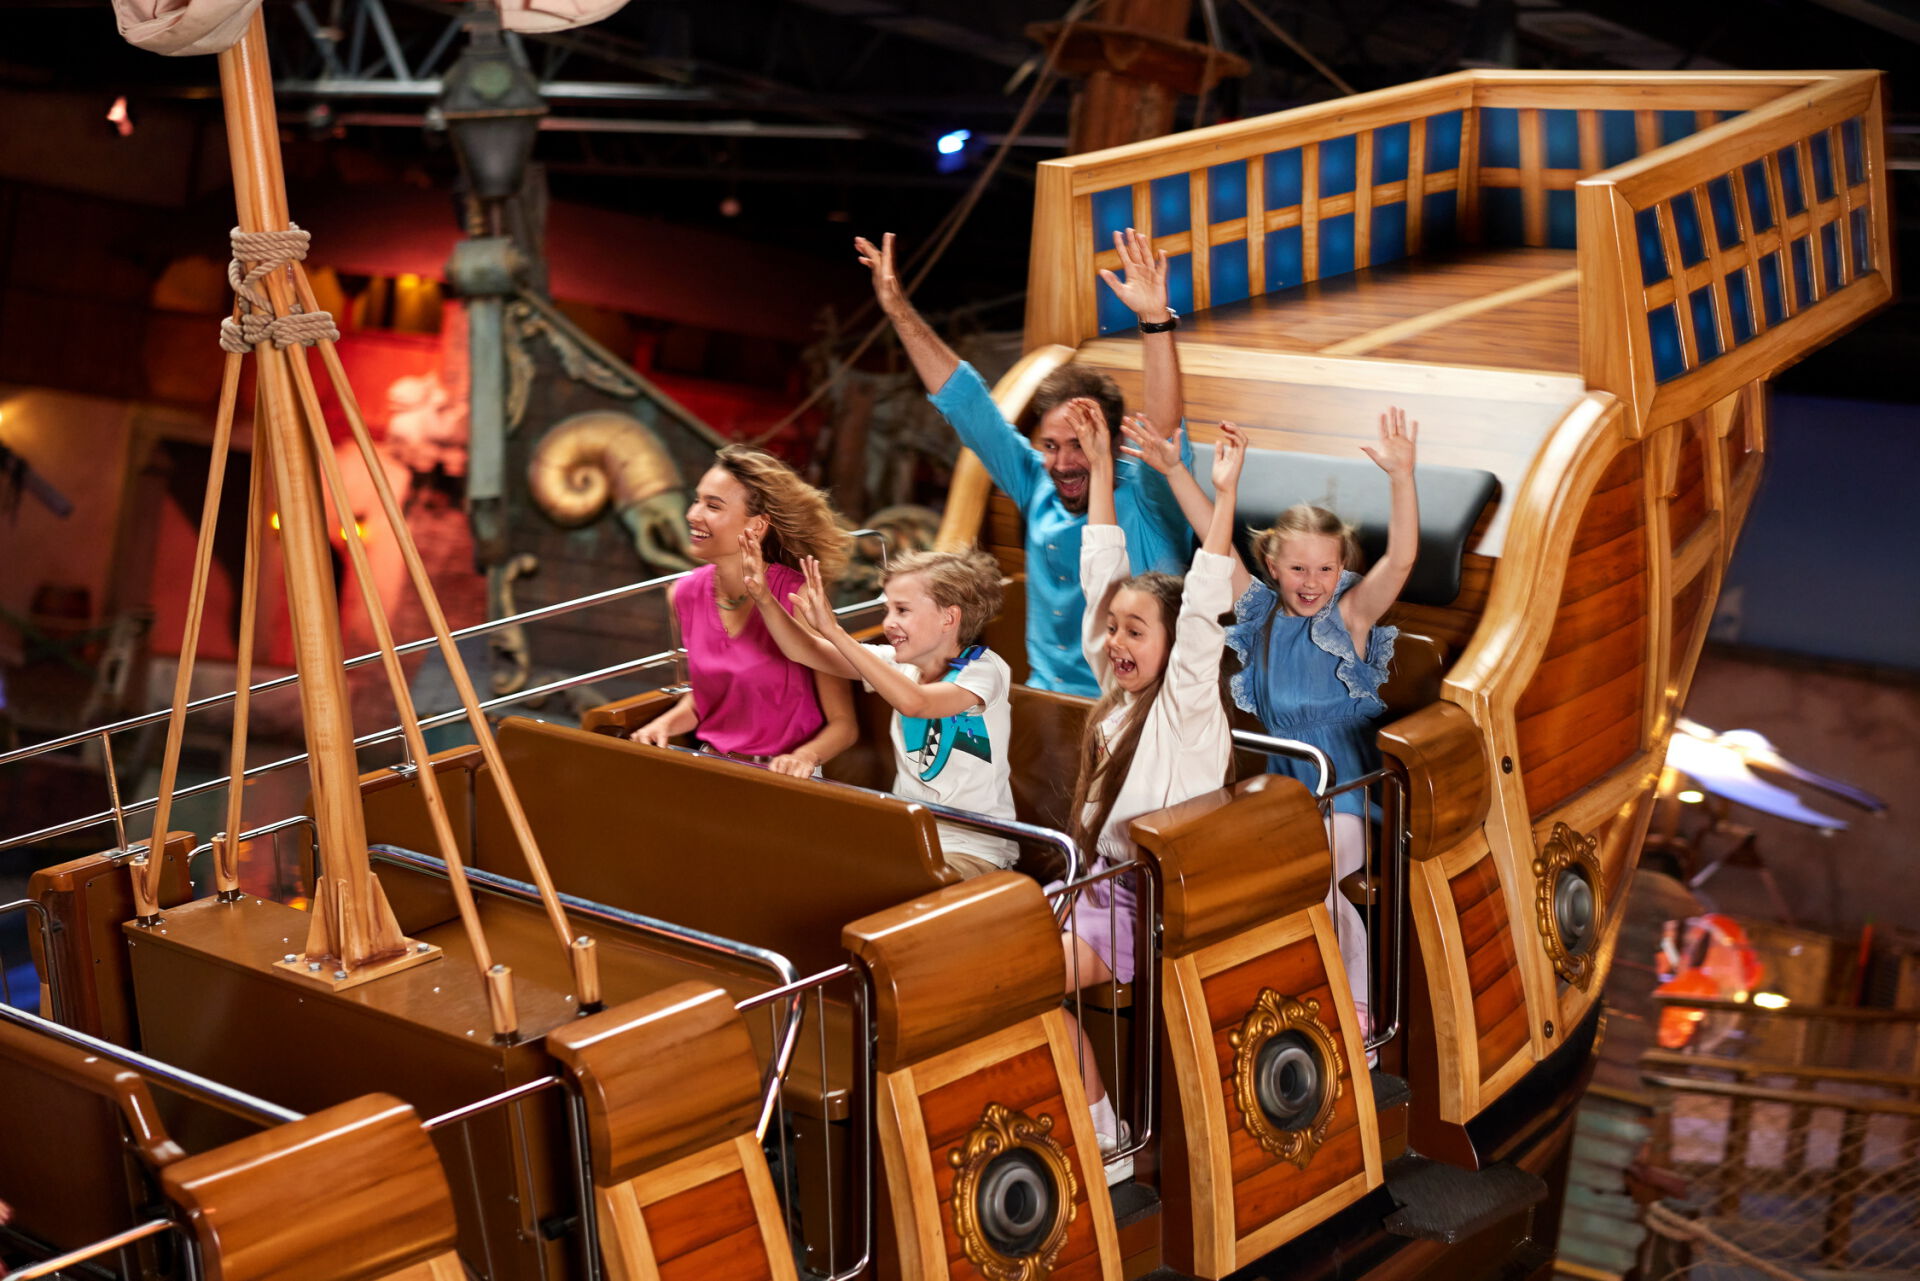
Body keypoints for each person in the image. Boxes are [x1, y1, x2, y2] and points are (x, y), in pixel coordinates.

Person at [1142, 411, 1420, 1040]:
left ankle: (1359, 1014)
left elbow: (1401, 560)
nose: (1311, 583)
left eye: (1325, 570)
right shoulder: (1261, 613)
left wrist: (1402, 477)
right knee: (1233, 878)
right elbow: (1213, 543)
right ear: (1272, 565)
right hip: (1282, 794)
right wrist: (1183, 472)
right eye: (1298, 569)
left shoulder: (1349, 617)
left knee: (1315, 882)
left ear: (1342, 570)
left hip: (1345, 793)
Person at [856, 229, 1194, 696]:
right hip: (1043, 695)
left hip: (1137, 704)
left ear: (1115, 441)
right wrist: (898, 310)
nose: (1063, 463)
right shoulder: (1036, 479)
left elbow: (1163, 428)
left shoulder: (1150, 493)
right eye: (1051, 445)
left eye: (1080, 444)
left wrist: (1155, 320)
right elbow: (965, 404)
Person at [1058, 399, 1242, 1181]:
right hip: (1092, 885)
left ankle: (1108, 1135)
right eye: (1115, 630)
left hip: (1147, 904)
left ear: (1172, 646)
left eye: (1137, 631)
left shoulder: (1186, 702)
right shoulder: (1117, 692)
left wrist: (1223, 496)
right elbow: (1101, 572)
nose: (1117, 642)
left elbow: (1203, 606)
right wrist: (1101, 466)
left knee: (1020, 988)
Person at [753, 541, 1019, 879]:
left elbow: (916, 703)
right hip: (909, 839)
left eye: (902, 610)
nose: (888, 622)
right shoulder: (897, 665)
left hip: (973, 850)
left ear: (949, 618)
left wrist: (834, 631)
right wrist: (764, 599)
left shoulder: (984, 670)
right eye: (887, 609)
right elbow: (803, 650)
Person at [629, 445, 858, 778]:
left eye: (713, 505)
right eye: (696, 500)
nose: (692, 514)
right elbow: (707, 700)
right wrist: (663, 725)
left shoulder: (799, 598)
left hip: (787, 777)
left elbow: (844, 725)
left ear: (758, 526)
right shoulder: (683, 594)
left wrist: (804, 757)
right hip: (712, 768)